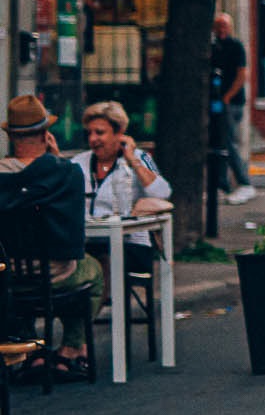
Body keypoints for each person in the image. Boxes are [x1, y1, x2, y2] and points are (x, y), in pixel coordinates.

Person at [0, 95, 103, 383]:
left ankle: (30, 348)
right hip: (55, 274)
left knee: (16, 285)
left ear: (11, 136)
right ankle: (71, 349)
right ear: (46, 134)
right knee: (92, 270)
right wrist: (54, 159)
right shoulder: (67, 173)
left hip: (8, 276)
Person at [73, 101, 172, 260]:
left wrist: (132, 161)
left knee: (105, 258)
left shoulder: (140, 158)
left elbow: (163, 193)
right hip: (88, 242)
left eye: (99, 132)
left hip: (130, 243)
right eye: (89, 133)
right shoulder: (79, 162)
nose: (92, 139)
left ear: (119, 133)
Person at [211, 14, 256, 205]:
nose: (221, 29)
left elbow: (242, 74)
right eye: (218, 25)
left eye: (224, 25)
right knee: (218, 143)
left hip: (232, 102)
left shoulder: (235, 46)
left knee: (229, 142)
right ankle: (222, 184)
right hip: (217, 102)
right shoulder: (213, 48)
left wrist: (228, 97)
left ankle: (244, 182)